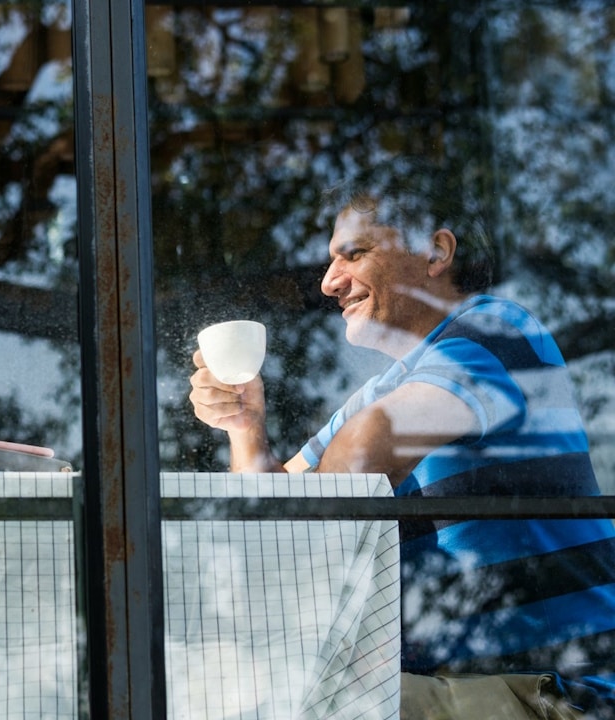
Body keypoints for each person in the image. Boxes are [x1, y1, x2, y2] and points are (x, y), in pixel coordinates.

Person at [188, 164, 615, 719]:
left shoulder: (495, 331)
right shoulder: (385, 391)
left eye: (354, 253)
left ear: (436, 253)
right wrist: (246, 428)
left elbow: (367, 448)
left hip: (555, 696)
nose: (329, 281)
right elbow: (272, 530)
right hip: (456, 691)